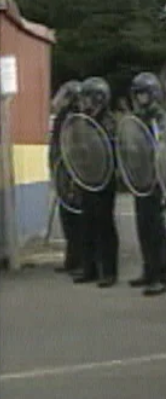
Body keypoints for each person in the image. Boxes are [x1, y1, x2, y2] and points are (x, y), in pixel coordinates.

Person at [127, 72, 166, 296]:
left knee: (155, 229)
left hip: (154, 179)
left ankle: (161, 276)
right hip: (140, 178)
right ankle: (148, 269)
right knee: (143, 226)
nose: (140, 98)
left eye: (143, 94)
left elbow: (161, 144)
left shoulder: (158, 117)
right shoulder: (138, 117)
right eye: (138, 94)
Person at [74, 76, 119, 288]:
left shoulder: (108, 122)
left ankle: (109, 271)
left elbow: (108, 150)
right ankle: (89, 267)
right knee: (87, 224)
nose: (84, 103)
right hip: (87, 178)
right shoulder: (84, 121)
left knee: (104, 226)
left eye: (87, 98)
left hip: (104, 180)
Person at [50, 80, 84, 275]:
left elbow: (76, 149)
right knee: (66, 219)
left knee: (75, 219)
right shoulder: (62, 118)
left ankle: (80, 260)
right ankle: (72, 259)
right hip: (62, 173)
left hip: (72, 174)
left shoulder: (76, 119)